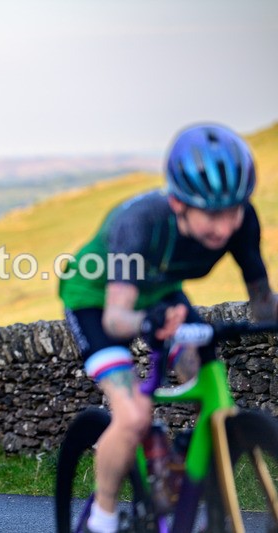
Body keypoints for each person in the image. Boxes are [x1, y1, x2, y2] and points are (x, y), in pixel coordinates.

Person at [58, 123, 278, 533]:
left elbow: (263, 303)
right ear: (179, 203)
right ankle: (101, 519)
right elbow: (116, 318)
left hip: (160, 292)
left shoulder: (240, 222)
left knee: (204, 374)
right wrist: (149, 322)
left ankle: (177, 462)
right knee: (134, 414)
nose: (224, 226)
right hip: (96, 299)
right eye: (211, 214)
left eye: (234, 210)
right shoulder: (138, 223)